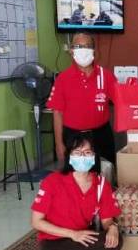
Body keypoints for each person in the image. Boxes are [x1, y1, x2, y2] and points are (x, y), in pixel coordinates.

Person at [31, 133, 122, 250]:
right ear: (69, 156)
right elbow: (36, 222)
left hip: (83, 241)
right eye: (78, 152)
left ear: (94, 156)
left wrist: (112, 228)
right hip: (56, 245)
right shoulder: (53, 182)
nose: (83, 157)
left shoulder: (100, 184)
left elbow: (107, 220)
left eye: (87, 152)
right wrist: (72, 234)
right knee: (109, 246)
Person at [47, 32, 117, 167]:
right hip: (72, 137)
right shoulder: (63, 79)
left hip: (101, 136)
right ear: (71, 51)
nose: (83, 50)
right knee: (76, 176)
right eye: (78, 46)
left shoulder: (106, 76)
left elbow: (121, 103)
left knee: (106, 172)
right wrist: (59, 144)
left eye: (87, 46)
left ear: (94, 50)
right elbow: (57, 113)